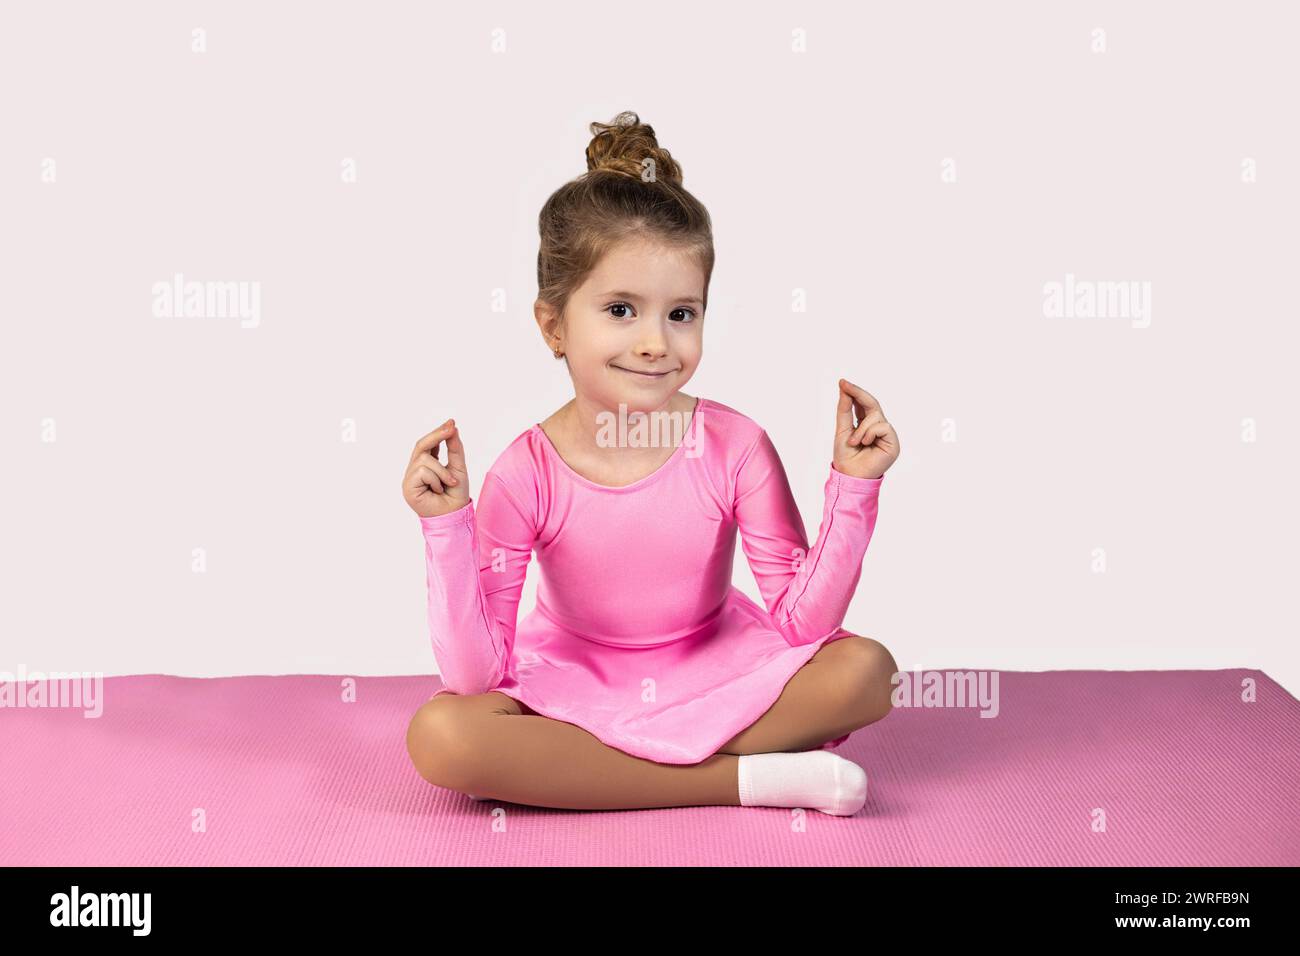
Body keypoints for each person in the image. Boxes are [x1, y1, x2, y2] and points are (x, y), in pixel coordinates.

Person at [402, 111, 901, 815]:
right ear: (554, 325)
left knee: (867, 671)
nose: (653, 342)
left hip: (715, 672)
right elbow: (475, 675)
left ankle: (615, 772)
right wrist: (446, 527)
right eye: (619, 309)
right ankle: (749, 777)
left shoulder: (737, 446)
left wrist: (855, 486)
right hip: (575, 684)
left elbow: (800, 627)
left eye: (680, 314)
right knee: (443, 735)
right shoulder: (524, 474)